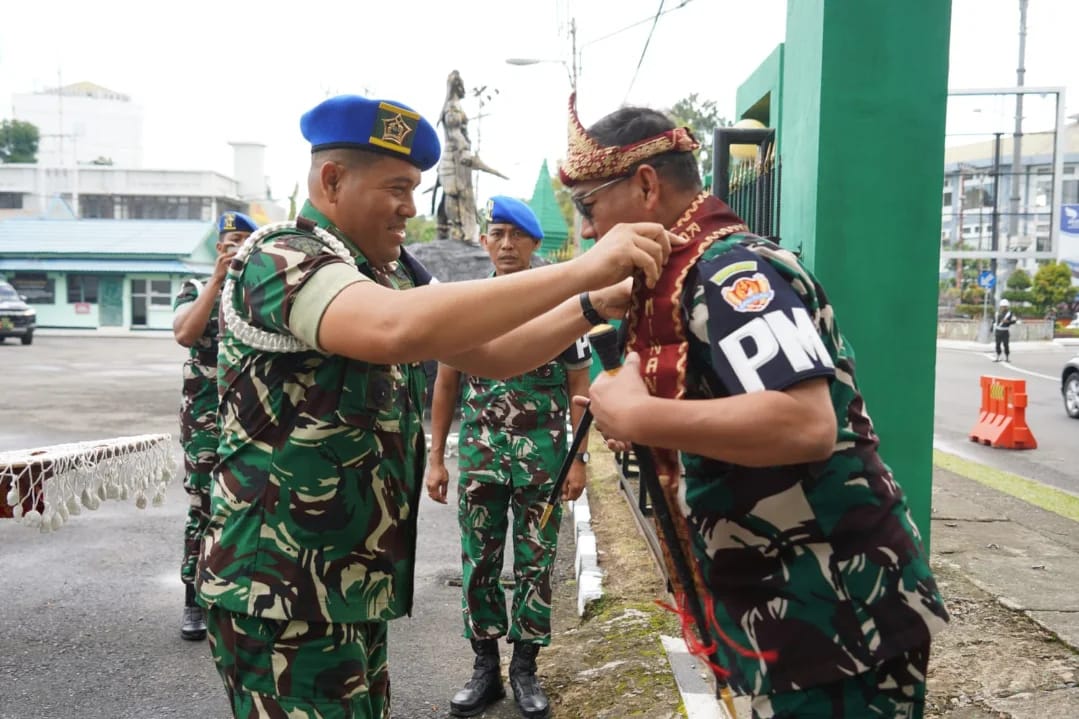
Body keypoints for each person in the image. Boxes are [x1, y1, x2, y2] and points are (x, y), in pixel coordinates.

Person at [195, 93, 678, 719]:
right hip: (277, 589)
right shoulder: (280, 257)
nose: (408, 209)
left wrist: (590, 306)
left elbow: (496, 354)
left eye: (415, 190)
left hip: (344, 585)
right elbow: (393, 328)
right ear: (332, 180)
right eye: (396, 188)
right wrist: (583, 271)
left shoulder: (387, 272)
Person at [562, 96, 950, 719]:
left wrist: (640, 418)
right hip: (774, 605)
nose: (584, 229)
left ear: (645, 184)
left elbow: (805, 423)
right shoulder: (681, 275)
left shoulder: (732, 272)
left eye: (589, 206)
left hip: (835, 611)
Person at [425, 196, 592, 719]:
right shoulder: (467, 303)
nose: (506, 244)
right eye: (496, 234)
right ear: (484, 242)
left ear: (533, 243)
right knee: (479, 565)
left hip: (542, 463)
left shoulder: (559, 305)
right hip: (480, 461)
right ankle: (485, 671)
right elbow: (445, 382)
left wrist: (579, 459)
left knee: (536, 565)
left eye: (516, 236)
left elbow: (578, 387)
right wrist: (436, 457)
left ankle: (525, 670)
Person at [171, 210, 256, 641]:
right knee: (203, 502)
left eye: (242, 240)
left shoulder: (261, 293)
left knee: (247, 503)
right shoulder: (194, 289)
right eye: (227, 241)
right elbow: (186, 334)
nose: (233, 247)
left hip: (253, 413)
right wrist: (216, 283)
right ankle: (193, 596)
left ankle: (234, 591)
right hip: (206, 415)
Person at [994, 297, 1017, 362]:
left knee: (1006, 344)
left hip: (1005, 331)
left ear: (1007, 307)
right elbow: (994, 321)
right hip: (998, 331)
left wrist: (1008, 322)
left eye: (1005, 306)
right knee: (997, 344)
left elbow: (1014, 321)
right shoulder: (997, 313)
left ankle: (1007, 357)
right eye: (1002, 306)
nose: (1003, 308)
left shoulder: (1010, 314)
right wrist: (991, 329)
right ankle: (998, 357)